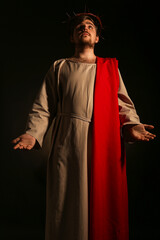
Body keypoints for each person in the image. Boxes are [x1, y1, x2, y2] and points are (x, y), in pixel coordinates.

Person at [12, 13, 156, 240]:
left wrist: (132, 126)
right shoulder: (60, 66)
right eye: (79, 26)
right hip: (68, 140)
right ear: (72, 36)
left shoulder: (110, 68)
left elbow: (123, 105)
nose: (84, 28)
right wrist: (32, 134)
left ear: (97, 38)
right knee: (67, 197)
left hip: (103, 141)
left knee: (102, 197)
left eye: (90, 26)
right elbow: (43, 106)